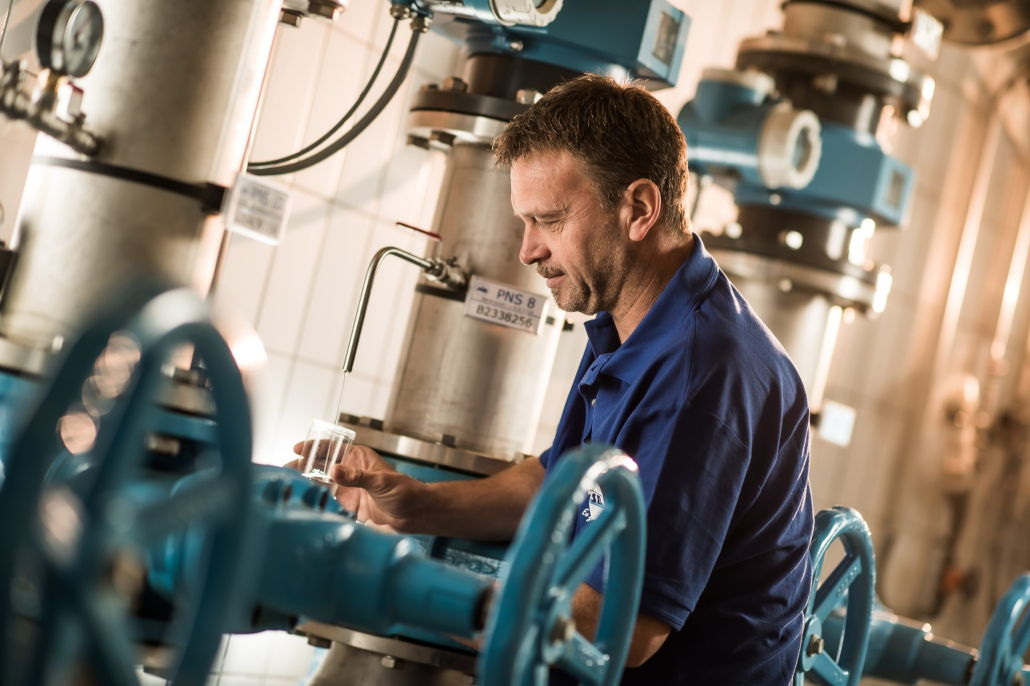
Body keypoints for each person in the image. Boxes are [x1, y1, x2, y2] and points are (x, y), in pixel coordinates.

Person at [295, 74, 813, 685]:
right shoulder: (634, 324)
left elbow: (620, 628)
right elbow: (561, 481)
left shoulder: (701, 370)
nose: (527, 251)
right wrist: (414, 506)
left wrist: (388, 586)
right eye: (524, 222)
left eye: (549, 220)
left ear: (639, 209)